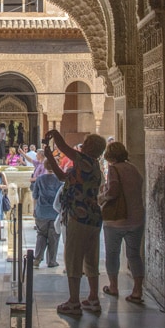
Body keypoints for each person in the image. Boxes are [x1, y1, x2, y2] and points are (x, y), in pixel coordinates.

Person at [44, 129, 106, 316]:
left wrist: (54, 132)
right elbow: (63, 177)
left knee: (73, 258)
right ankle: (93, 299)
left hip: (78, 216)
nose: (82, 145)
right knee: (90, 258)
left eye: (86, 143)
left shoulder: (83, 160)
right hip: (93, 217)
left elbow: (63, 147)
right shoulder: (94, 166)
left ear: (90, 147)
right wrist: (50, 157)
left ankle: (73, 302)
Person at [98, 141, 145, 304]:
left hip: (116, 220)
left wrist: (102, 197)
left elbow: (113, 191)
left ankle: (113, 286)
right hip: (136, 217)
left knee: (112, 253)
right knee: (134, 254)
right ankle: (137, 290)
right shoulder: (133, 168)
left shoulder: (113, 169)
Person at [31, 158, 62, 268]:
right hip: (55, 212)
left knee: (41, 235)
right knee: (54, 236)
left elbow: (35, 195)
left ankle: (37, 259)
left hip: (41, 211)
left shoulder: (40, 179)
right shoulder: (60, 180)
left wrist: (34, 209)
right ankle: (51, 261)